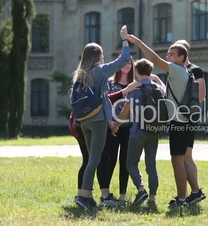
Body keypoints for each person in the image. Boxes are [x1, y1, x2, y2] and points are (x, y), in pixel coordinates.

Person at [126, 34, 194, 207]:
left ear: (182, 57)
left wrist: (138, 42)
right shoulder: (185, 72)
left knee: (177, 160)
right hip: (185, 120)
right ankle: (183, 197)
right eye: (168, 54)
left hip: (179, 122)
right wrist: (156, 79)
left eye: (172, 54)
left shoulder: (177, 70)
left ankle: (181, 199)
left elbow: (154, 59)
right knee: (179, 159)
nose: (168, 57)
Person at [72, 25, 131, 211]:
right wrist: (124, 39)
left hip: (83, 121)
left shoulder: (79, 74)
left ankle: (85, 195)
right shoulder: (100, 70)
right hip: (97, 122)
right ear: (98, 56)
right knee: (95, 159)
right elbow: (124, 59)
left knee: (91, 159)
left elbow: (92, 98)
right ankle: (84, 196)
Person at [69, 84, 140, 208]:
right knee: (98, 159)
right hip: (91, 123)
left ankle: (82, 194)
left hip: (78, 123)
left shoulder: (80, 81)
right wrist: (124, 91)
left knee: (88, 160)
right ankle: (96, 196)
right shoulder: (97, 78)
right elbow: (105, 100)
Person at [112, 58, 164, 206]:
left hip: (137, 132)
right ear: (150, 72)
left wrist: (116, 126)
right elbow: (166, 93)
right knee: (151, 165)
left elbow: (124, 113)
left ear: (136, 72)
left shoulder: (134, 89)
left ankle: (141, 189)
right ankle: (152, 198)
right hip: (154, 131)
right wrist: (157, 80)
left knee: (131, 163)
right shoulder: (158, 89)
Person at [173, 40, 206, 204]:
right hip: (186, 116)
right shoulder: (180, 70)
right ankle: (193, 193)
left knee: (184, 156)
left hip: (188, 116)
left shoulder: (194, 70)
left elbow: (201, 96)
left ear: (183, 53)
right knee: (187, 156)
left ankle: (192, 192)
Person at [101, 56, 135, 206]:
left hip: (129, 127)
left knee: (125, 161)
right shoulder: (109, 83)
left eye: (130, 63)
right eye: (124, 62)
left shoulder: (134, 84)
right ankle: (106, 193)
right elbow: (105, 100)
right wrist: (112, 124)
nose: (127, 65)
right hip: (112, 128)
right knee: (111, 159)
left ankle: (122, 194)